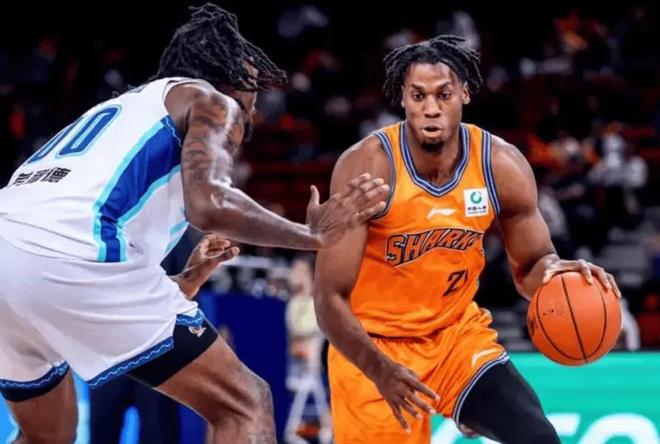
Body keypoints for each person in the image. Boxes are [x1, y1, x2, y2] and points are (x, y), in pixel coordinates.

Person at [0, 4, 388, 444]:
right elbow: (210, 204)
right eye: (250, 92)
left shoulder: (123, 111)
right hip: (74, 251)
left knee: (45, 435)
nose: (252, 111)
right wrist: (310, 235)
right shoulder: (211, 100)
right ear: (223, 76)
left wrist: (186, 280)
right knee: (245, 402)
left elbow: (68, 266)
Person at [314, 35, 621, 444]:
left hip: (454, 339)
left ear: (464, 93)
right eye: (418, 96)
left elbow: (531, 266)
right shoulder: (368, 167)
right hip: (372, 347)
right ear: (402, 99)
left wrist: (555, 273)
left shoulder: (499, 165)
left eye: (443, 95)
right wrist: (379, 369)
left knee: (538, 437)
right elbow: (328, 298)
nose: (431, 108)